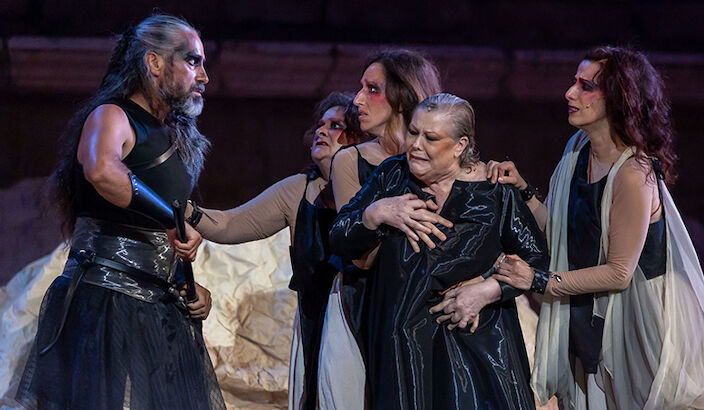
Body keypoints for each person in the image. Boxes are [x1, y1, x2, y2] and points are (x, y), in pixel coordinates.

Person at [486, 45, 704, 409]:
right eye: (575, 82)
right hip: (592, 311)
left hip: (640, 320)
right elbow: (563, 234)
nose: (570, 93)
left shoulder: (633, 174)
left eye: (586, 86)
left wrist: (537, 280)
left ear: (619, 99)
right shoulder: (577, 150)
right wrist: (524, 191)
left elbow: (619, 273)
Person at [15, 15, 225, 409]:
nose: (204, 76)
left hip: (160, 311)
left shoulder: (173, 136)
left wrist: (186, 283)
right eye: (193, 61)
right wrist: (171, 220)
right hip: (106, 306)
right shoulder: (112, 116)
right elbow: (101, 170)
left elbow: (157, 229)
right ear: (155, 62)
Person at [329, 93, 549, 409]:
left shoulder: (494, 191)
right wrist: (376, 212)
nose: (416, 145)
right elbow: (339, 237)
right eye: (413, 132)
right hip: (406, 346)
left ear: (461, 145)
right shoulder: (393, 176)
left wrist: (488, 290)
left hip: (480, 346)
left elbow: (536, 260)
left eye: (430, 138)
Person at [184, 92, 369, 409]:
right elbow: (231, 223)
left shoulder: (378, 188)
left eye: (336, 125)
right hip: (314, 324)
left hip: (364, 323)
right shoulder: (299, 190)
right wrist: (181, 210)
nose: (322, 131)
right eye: (321, 124)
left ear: (361, 138)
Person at [317, 49, 444, 408]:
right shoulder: (350, 161)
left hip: (427, 306)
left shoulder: (442, 160)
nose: (357, 100)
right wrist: (379, 212)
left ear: (403, 98)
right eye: (361, 88)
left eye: (372, 89)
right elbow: (360, 258)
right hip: (362, 304)